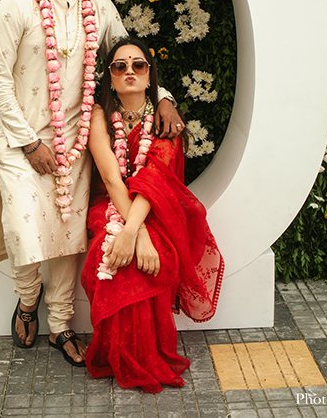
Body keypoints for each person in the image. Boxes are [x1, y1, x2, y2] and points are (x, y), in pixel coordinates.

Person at [0, 0, 183, 366]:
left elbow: (127, 59)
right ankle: (27, 301)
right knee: (24, 232)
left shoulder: (101, 8)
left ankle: (60, 325)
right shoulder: (16, 4)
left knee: (68, 237)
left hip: (77, 142)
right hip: (20, 141)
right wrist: (28, 142)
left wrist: (164, 98)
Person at [81, 38, 224, 393]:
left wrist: (135, 230)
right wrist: (135, 234)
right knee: (109, 249)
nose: (129, 71)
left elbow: (155, 178)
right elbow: (111, 178)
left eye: (138, 65)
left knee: (156, 254)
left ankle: (148, 354)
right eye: (120, 66)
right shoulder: (99, 115)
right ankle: (119, 354)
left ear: (149, 76)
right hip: (109, 203)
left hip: (155, 205)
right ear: (110, 77)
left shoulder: (165, 120)